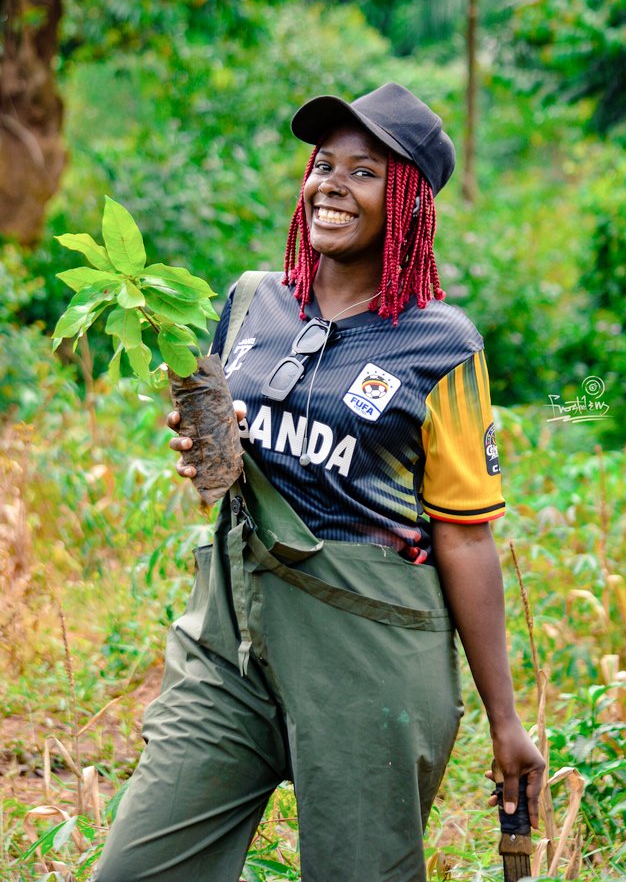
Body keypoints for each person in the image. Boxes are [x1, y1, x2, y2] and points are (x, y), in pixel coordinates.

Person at [95, 82, 544, 882]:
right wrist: (207, 442)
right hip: (230, 640)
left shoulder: (439, 344)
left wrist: (504, 721)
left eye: (363, 171)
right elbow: (233, 455)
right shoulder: (250, 300)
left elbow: (465, 532)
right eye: (322, 164)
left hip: (366, 658)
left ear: (406, 202)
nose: (330, 184)